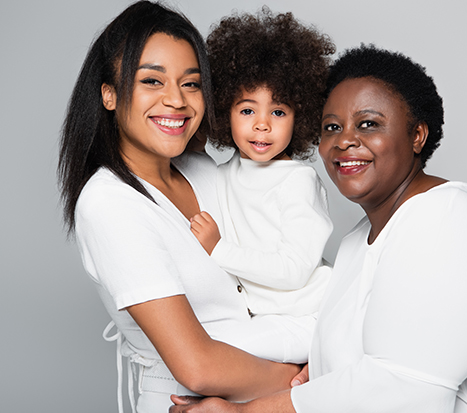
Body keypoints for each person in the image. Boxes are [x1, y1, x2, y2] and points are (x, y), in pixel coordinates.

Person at [170, 44, 467, 412]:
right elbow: (357, 371)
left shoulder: (449, 219)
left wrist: (245, 412)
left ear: (417, 135)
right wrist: (314, 375)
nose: (345, 140)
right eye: (332, 127)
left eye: (368, 124)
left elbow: (405, 392)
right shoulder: (357, 241)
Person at [58, 2, 316, 412]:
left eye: (191, 84)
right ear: (108, 94)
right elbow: (196, 367)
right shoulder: (109, 202)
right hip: (193, 401)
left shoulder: (202, 169)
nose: (175, 99)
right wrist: (308, 383)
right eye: (152, 81)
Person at [189, 9, 334, 325]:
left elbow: (294, 270)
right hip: (262, 318)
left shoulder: (298, 181)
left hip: (310, 314)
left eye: (279, 112)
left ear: (302, 116)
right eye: (246, 111)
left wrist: (219, 249)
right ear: (223, 111)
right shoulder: (224, 173)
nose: (262, 125)